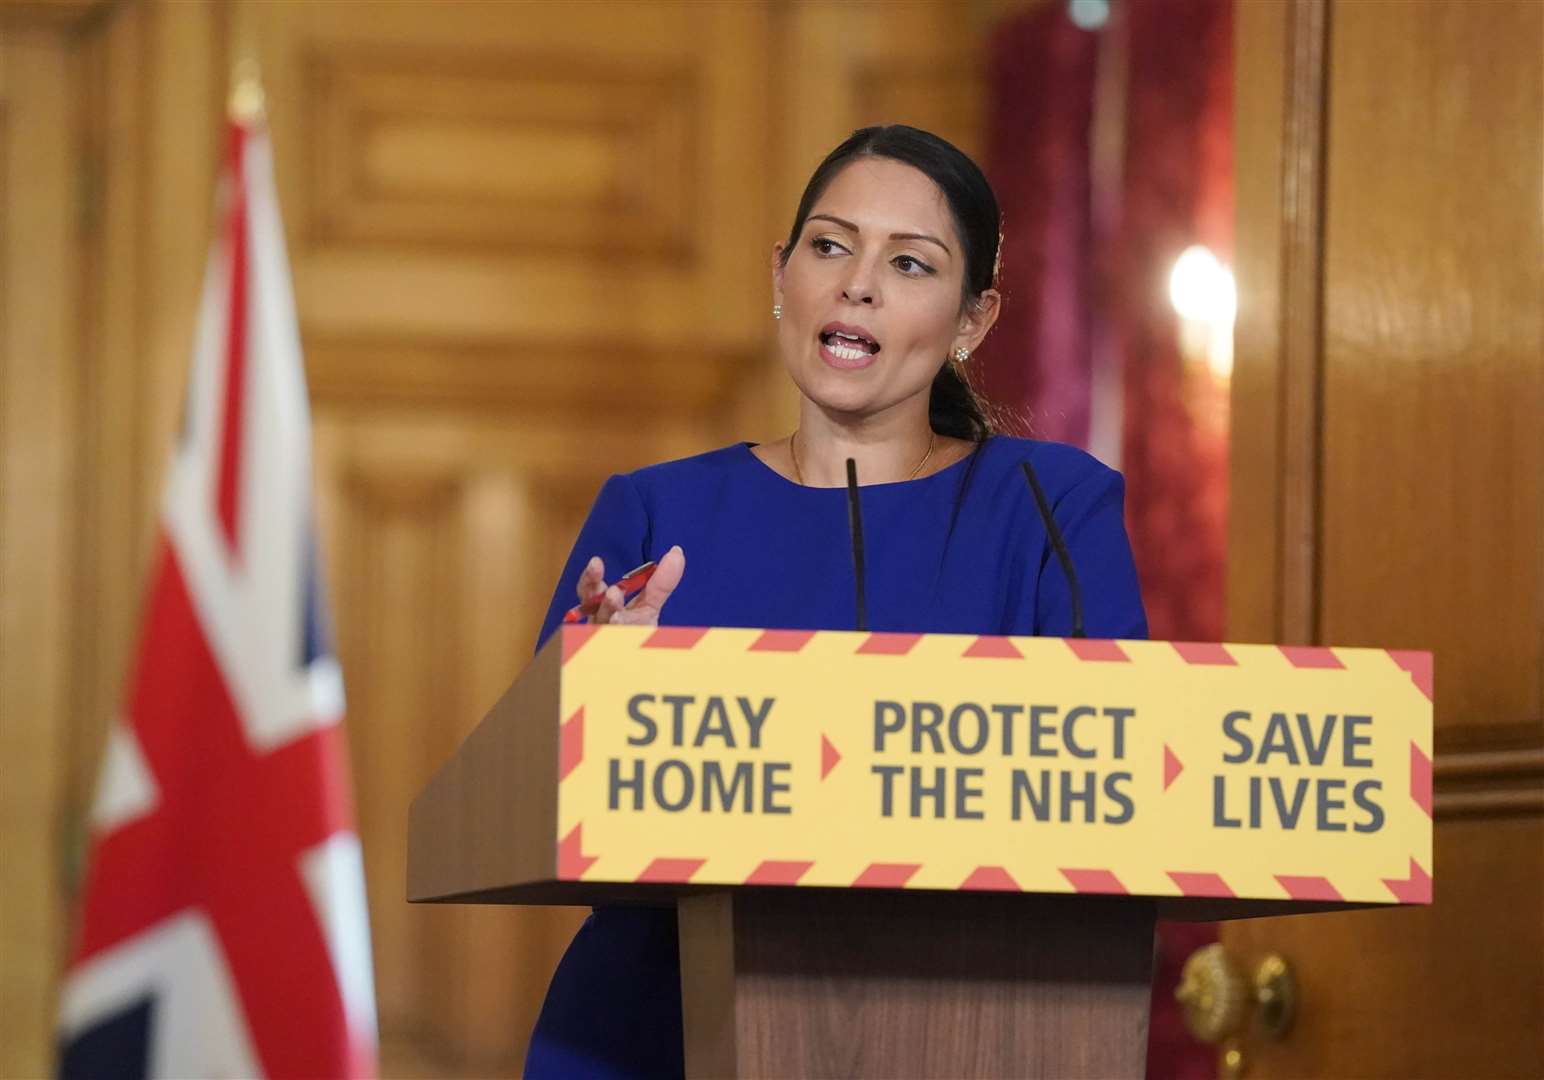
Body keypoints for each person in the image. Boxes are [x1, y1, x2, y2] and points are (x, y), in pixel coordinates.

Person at [522, 124, 1147, 1079]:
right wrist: (592, 692)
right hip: (655, 1028)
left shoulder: (1049, 507)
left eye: (909, 262)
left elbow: (1125, 782)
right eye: (829, 245)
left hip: (977, 1029)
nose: (858, 282)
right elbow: (533, 812)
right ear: (783, 274)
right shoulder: (654, 511)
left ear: (974, 321)